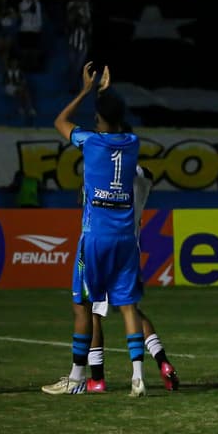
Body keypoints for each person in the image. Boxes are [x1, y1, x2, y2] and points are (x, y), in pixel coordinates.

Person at [42, 63, 147, 397]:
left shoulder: (90, 142)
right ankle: (138, 377)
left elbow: (59, 122)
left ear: (99, 121)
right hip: (126, 239)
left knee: (82, 308)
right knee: (128, 306)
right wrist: (105, 95)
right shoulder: (132, 143)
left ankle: (76, 378)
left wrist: (86, 91)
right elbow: (114, 120)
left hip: (95, 239)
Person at [86, 123, 179, 393]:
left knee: (94, 311)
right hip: (130, 247)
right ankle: (162, 362)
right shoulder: (144, 177)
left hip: (104, 243)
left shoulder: (108, 174)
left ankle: (97, 377)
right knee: (132, 309)